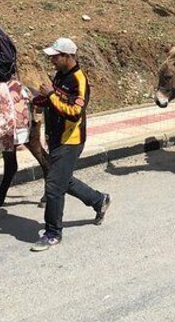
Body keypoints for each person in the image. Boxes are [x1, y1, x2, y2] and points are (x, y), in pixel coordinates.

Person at [30, 38, 111, 252]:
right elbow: (55, 101)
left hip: (71, 140)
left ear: (68, 56)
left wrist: (50, 95)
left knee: (54, 185)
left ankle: (52, 233)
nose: (52, 61)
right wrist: (37, 99)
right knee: (63, 180)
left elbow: (75, 113)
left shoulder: (79, 80)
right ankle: (99, 200)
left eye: (55, 57)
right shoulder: (60, 75)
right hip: (56, 138)